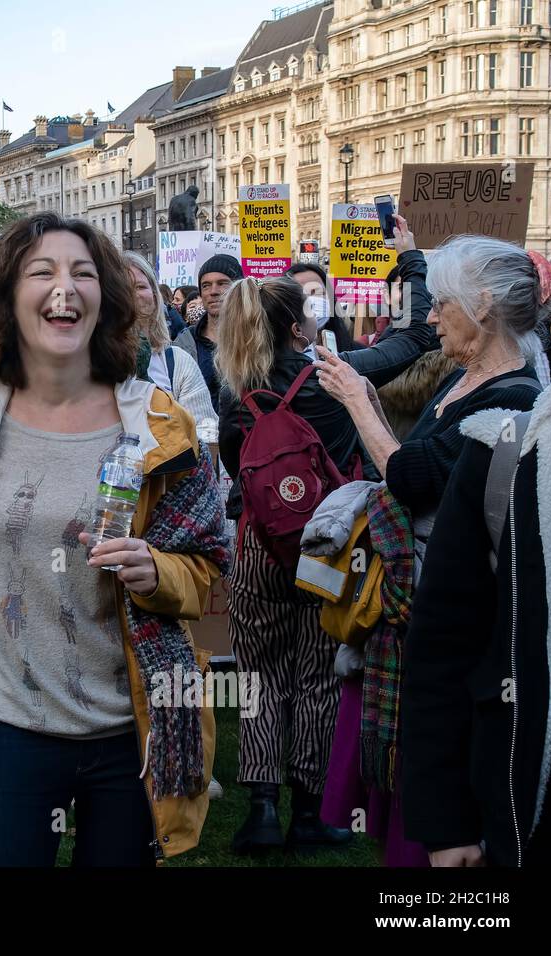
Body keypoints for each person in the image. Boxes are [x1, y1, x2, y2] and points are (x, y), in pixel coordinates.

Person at [0, 213, 228, 866]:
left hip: (128, 726)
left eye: (82, 272)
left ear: (106, 295)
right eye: (41, 271)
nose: (63, 287)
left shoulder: (160, 422)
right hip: (0, 721)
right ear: (9, 295)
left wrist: (157, 570)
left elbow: (208, 561)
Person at [314, 234, 544, 865]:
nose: (432, 315)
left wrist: (359, 401)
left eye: (442, 303)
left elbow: (412, 476)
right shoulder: (469, 375)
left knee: (431, 835)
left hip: (446, 620)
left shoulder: (512, 397)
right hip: (413, 613)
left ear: (487, 307)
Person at [401, 301, 551, 868]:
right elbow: (444, 642)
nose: (435, 317)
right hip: (525, 810)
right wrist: (447, 823)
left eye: (445, 303)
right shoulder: (508, 451)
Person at [215, 275, 369, 855]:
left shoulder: (237, 392)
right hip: (324, 544)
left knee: (258, 675)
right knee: (317, 674)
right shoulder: (329, 383)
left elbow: (238, 469)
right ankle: (310, 808)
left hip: (258, 542)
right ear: (294, 324)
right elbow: (348, 453)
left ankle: (261, 811)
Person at [123, 251, 216, 429]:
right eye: (121, 287)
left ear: (155, 298)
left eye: (140, 287)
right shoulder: (87, 364)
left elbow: (205, 431)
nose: (131, 295)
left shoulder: (177, 363)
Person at [174, 255, 242, 412]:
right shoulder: (184, 343)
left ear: (238, 289)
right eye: (206, 285)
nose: (213, 291)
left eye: (222, 283)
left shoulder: (257, 337)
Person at [285, 261, 360, 351]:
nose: (310, 301)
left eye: (317, 292)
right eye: (300, 294)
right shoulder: (271, 359)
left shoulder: (357, 354)